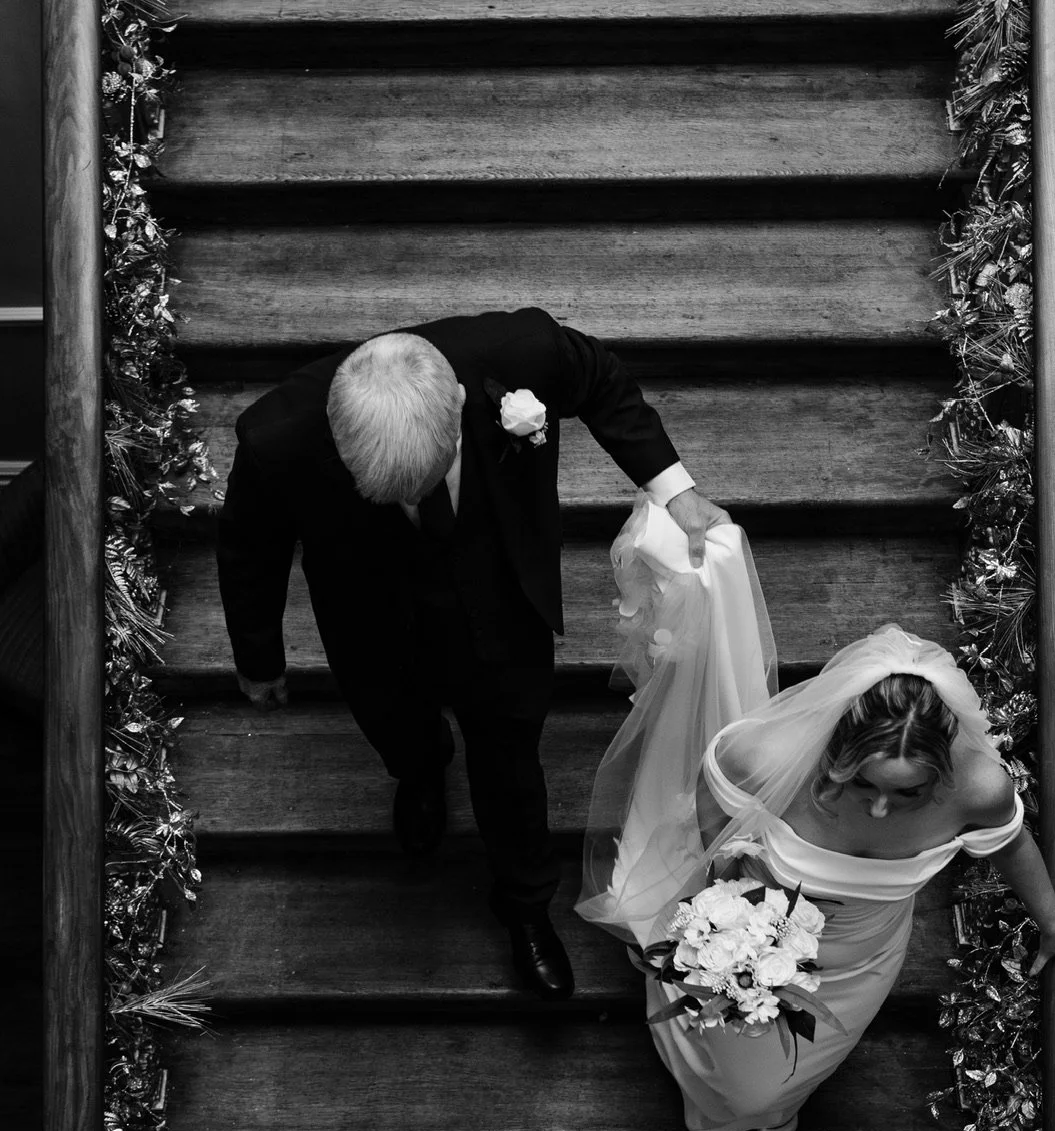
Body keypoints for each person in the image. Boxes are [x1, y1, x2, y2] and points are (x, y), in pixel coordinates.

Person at [214, 310, 730, 998]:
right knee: (395, 723)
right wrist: (259, 657)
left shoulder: (524, 353)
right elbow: (250, 547)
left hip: (498, 594)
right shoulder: (275, 435)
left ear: (459, 403)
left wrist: (677, 492)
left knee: (510, 760)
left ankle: (525, 906)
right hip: (369, 609)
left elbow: (603, 382)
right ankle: (421, 771)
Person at [577, 503, 1055, 1131]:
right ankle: (737, 1098)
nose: (882, 810)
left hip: (865, 958)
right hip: (754, 933)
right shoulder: (762, 756)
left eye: (909, 793)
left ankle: (776, 1101)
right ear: (838, 751)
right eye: (864, 784)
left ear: (943, 769)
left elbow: (1013, 846)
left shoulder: (980, 789)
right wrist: (724, 900)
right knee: (743, 1076)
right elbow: (709, 816)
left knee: (805, 1063)